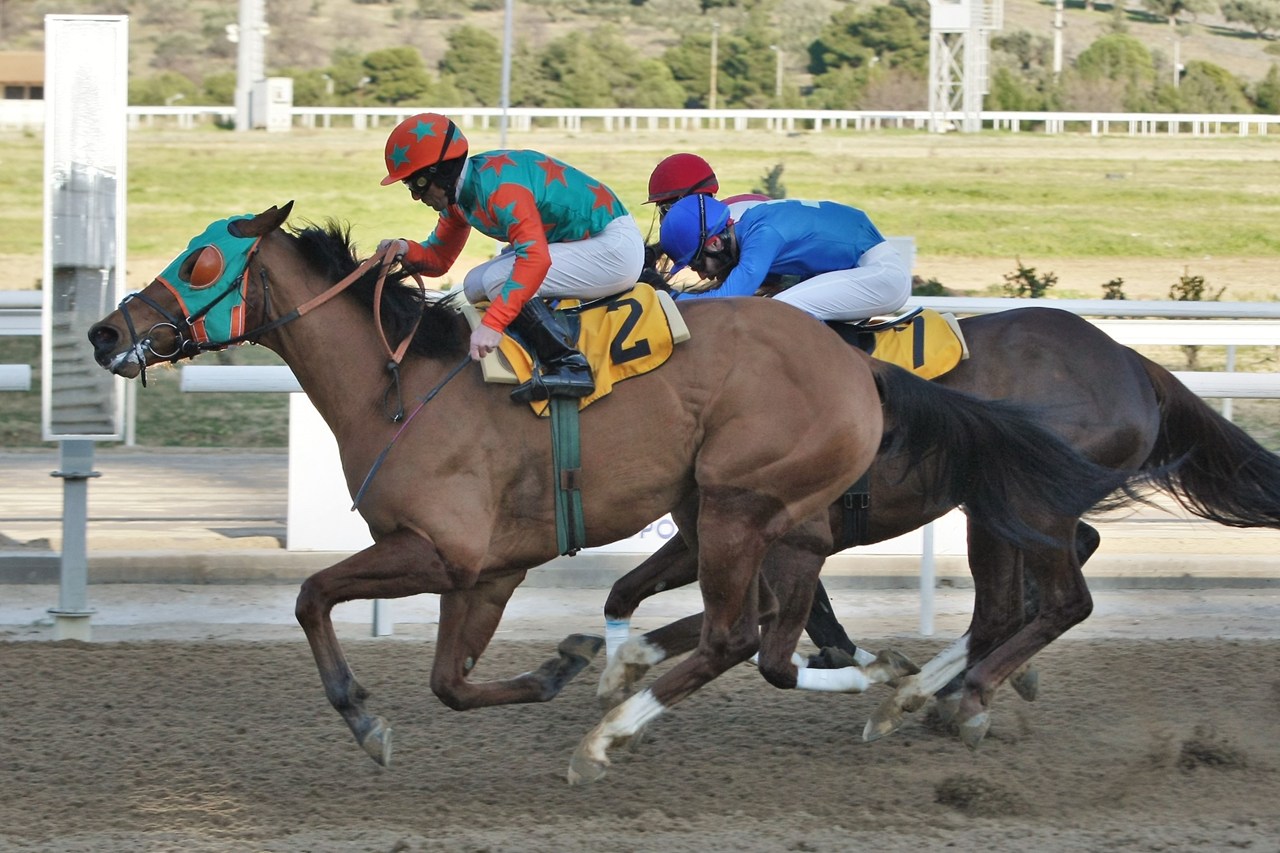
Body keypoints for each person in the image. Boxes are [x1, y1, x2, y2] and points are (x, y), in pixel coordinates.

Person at [378, 112, 644, 402]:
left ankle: (570, 365)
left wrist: (493, 325)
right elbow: (439, 258)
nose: (417, 197)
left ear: (441, 171)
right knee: (473, 283)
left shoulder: (500, 190)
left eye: (417, 183)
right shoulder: (459, 197)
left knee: (496, 280)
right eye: (409, 187)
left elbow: (535, 259)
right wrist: (403, 249)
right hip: (586, 243)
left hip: (614, 248)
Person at [657, 193, 911, 323]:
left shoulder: (763, 234)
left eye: (698, 263)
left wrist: (666, 300)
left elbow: (731, 297)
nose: (702, 275)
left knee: (776, 313)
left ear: (714, 242)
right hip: (864, 268)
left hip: (881, 276)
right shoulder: (754, 221)